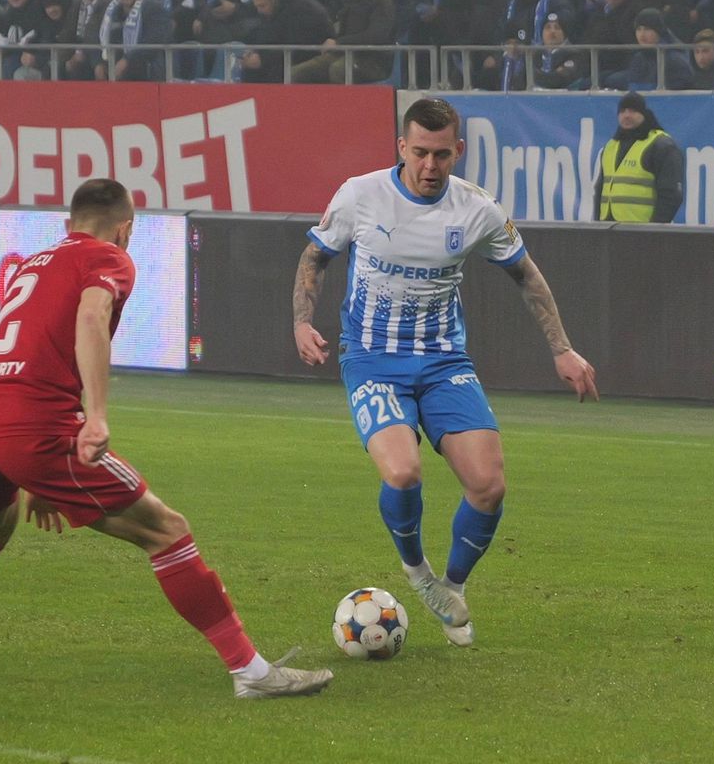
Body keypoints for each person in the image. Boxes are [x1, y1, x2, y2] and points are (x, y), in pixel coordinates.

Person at [0, 178, 334, 699]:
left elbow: (31, 351)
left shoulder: (31, 264)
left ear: (66, 224)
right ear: (126, 228)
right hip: (37, 426)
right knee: (167, 530)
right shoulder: (109, 257)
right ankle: (252, 673)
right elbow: (92, 317)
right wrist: (94, 417)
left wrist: (37, 479)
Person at [291, 97, 598, 647]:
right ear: (401, 148)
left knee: (488, 485)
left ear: (458, 151)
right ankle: (416, 569)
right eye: (420, 153)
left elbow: (527, 277)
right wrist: (300, 321)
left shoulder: (477, 209)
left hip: (443, 362)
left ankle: (450, 587)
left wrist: (563, 349)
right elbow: (315, 258)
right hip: (371, 360)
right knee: (404, 473)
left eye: (441, 154)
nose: (430, 166)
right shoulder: (360, 195)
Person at [593, 91, 684, 223]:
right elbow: (601, 189)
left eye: (633, 111)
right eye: (623, 111)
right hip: (609, 228)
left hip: (643, 231)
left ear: (644, 114)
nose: (627, 115)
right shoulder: (610, 146)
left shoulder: (660, 145)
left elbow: (671, 194)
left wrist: (655, 229)